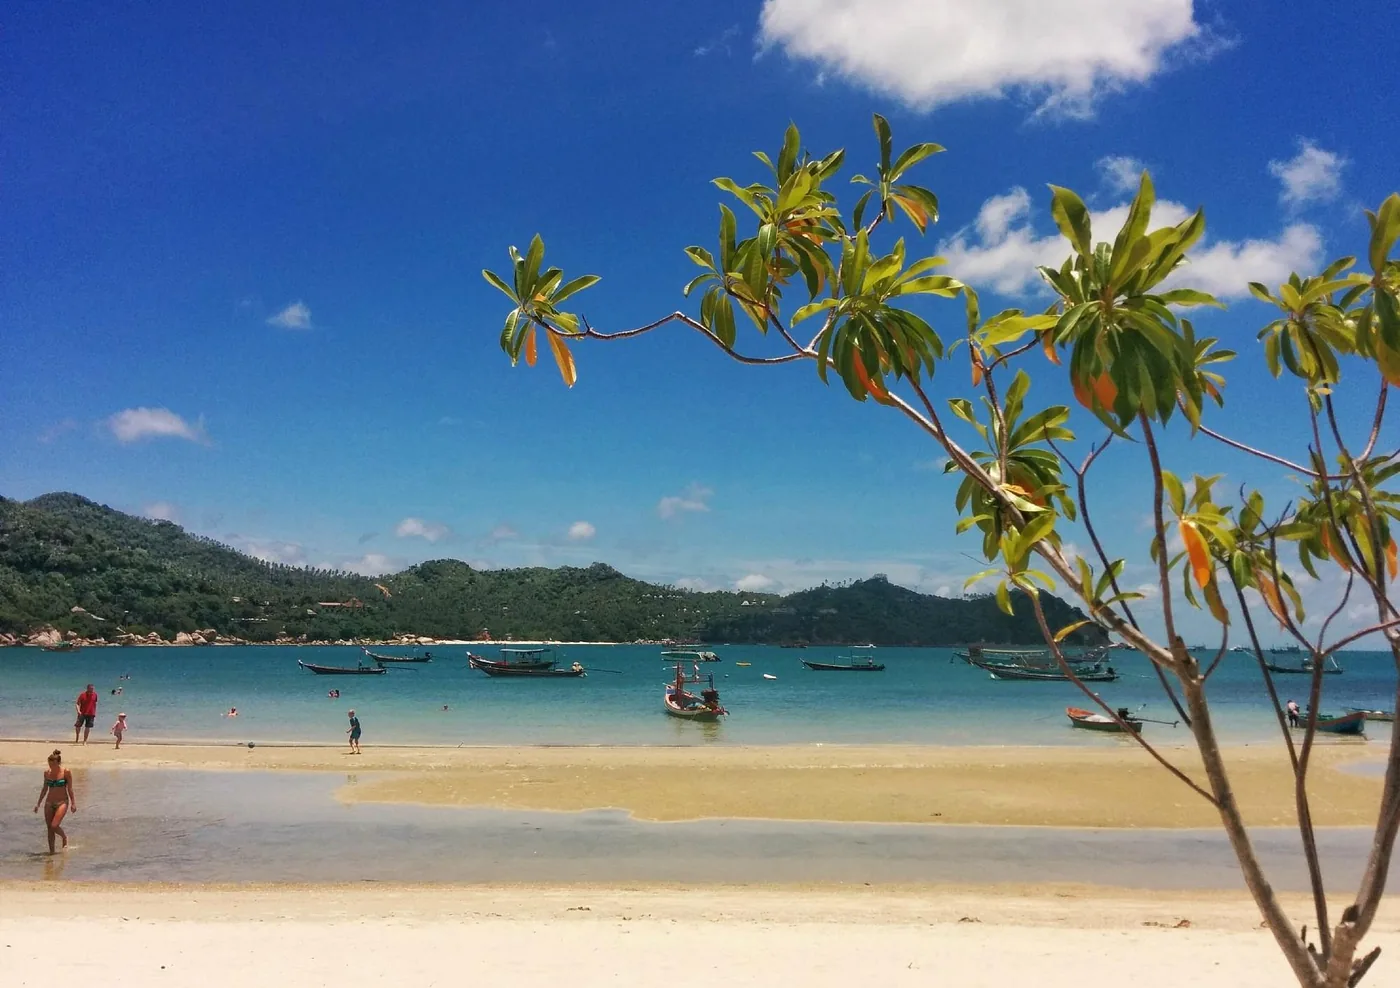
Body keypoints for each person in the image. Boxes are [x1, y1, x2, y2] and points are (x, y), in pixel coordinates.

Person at [33, 749, 76, 854]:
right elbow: (44, 789)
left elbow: (70, 788)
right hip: (49, 802)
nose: (50, 767)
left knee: (54, 826)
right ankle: (51, 853)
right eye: (49, 764)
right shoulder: (47, 773)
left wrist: (73, 803)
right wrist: (38, 804)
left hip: (62, 802)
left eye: (53, 764)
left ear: (58, 763)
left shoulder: (66, 772)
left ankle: (64, 837)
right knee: (49, 828)